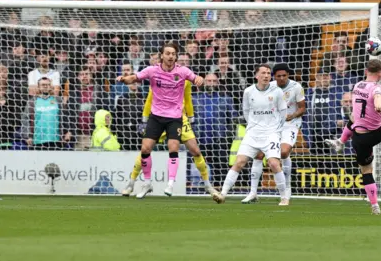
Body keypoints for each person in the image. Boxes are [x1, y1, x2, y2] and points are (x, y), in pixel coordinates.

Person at [325, 60, 381, 215]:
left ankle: (374, 205)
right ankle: (340, 141)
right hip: (376, 133)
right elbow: (379, 98)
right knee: (355, 117)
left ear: (366, 71)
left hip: (359, 138)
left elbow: (379, 100)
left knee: (366, 170)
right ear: (380, 73)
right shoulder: (378, 87)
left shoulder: (357, 86)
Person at [116, 43, 204, 198]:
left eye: (173, 54)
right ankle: (147, 182)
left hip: (175, 117)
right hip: (156, 116)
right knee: (145, 149)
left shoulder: (182, 71)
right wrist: (124, 79)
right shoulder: (152, 70)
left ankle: (170, 184)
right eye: (167, 53)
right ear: (162, 55)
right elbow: (135, 77)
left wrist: (199, 79)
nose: (170, 56)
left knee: (174, 147)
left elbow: (195, 77)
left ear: (176, 57)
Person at [120, 75, 219, 198]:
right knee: (145, 150)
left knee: (196, 151)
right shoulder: (157, 75)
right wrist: (144, 120)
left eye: (173, 55)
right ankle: (131, 183)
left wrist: (191, 118)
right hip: (159, 116)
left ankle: (207, 185)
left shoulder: (184, 78)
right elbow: (150, 99)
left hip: (179, 117)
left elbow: (187, 98)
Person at [213, 64, 289, 205]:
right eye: (263, 73)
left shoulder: (277, 91)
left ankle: (284, 197)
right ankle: (222, 194)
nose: (266, 75)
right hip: (252, 134)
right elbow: (246, 111)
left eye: (268, 73)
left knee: (273, 163)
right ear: (256, 76)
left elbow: (283, 113)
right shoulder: (248, 91)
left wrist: (276, 130)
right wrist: (253, 126)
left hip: (271, 133)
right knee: (239, 162)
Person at [243, 64, 306, 204]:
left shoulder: (296, 87)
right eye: (279, 76)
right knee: (258, 154)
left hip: (290, 124)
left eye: (284, 75)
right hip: (271, 125)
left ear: (288, 75)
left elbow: (302, 108)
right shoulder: (269, 86)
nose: (282, 78)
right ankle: (253, 192)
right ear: (274, 76)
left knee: (283, 153)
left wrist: (292, 115)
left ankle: (287, 187)